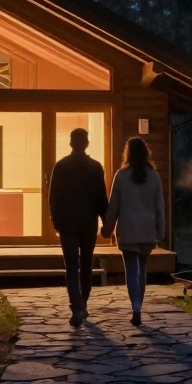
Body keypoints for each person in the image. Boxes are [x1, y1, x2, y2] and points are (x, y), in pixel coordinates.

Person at [49, 128, 109, 327]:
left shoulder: (61, 166)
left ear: (71, 143)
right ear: (86, 143)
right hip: (88, 222)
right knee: (86, 264)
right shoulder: (95, 167)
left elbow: (53, 196)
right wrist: (106, 222)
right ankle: (83, 304)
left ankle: (76, 306)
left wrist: (55, 219)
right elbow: (101, 198)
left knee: (71, 266)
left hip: (67, 222)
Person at [101, 137, 164, 326]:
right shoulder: (154, 176)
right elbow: (160, 207)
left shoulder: (121, 175)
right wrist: (160, 232)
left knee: (131, 270)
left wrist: (107, 228)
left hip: (128, 230)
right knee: (142, 270)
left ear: (127, 153)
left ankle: (135, 307)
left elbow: (114, 206)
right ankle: (139, 306)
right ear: (146, 153)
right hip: (147, 230)